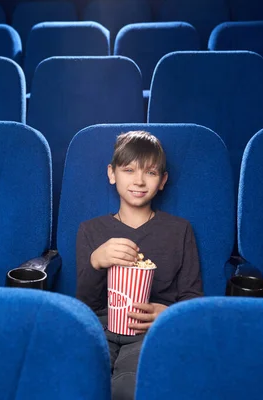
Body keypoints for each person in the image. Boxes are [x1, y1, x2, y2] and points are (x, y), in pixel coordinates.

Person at [75, 130, 203, 400]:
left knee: (127, 388)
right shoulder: (90, 230)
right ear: (112, 174)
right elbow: (85, 304)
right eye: (129, 170)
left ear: (163, 181)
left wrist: (166, 312)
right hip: (100, 327)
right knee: (81, 381)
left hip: (148, 331)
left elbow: (192, 298)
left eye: (151, 173)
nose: (139, 180)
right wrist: (96, 261)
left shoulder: (179, 230)